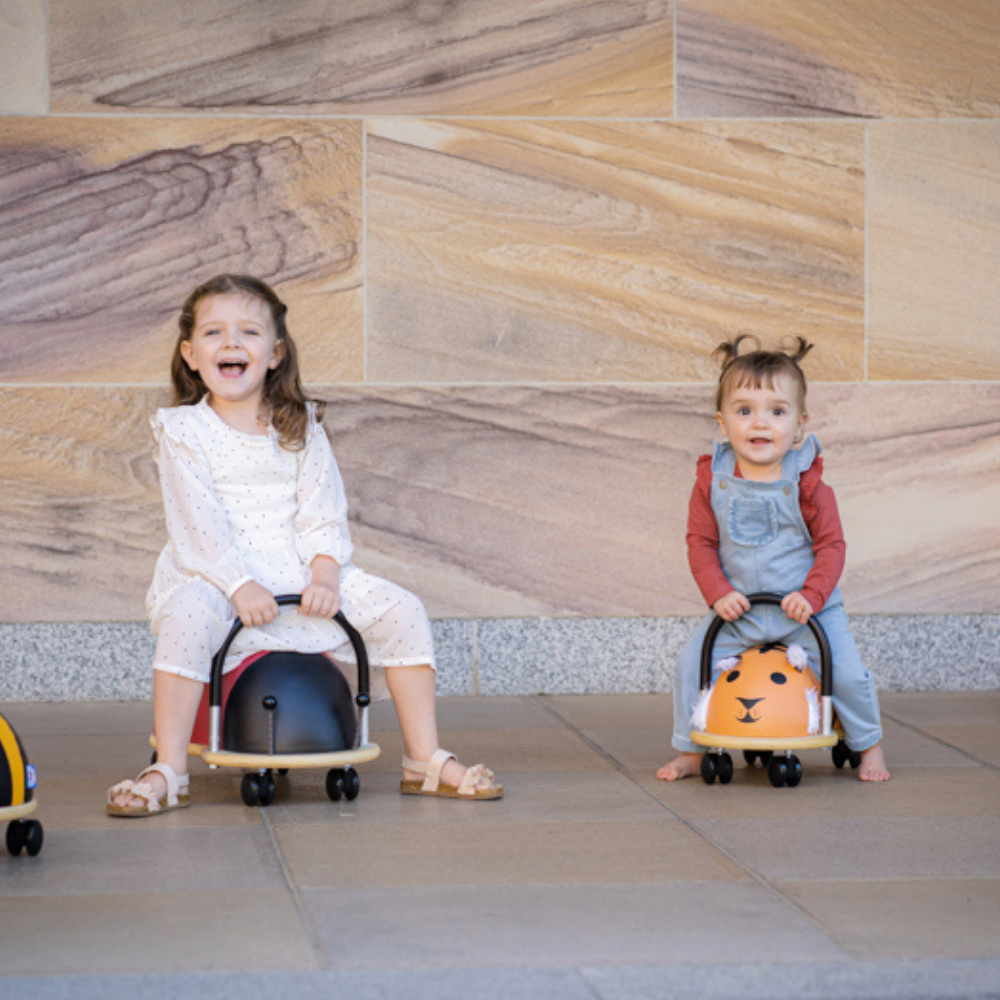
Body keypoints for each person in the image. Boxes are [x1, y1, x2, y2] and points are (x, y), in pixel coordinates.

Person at [108, 274, 502, 815]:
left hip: (297, 570)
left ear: (275, 353)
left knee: (402, 609)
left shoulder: (301, 426)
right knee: (188, 618)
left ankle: (423, 759)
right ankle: (169, 770)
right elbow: (197, 523)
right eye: (214, 332)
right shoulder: (184, 431)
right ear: (191, 354)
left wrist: (324, 574)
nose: (230, 342)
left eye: (248, 332)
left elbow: (323, 511)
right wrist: (238, 584)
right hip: (216, 575)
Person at [657, 335, 889, 783]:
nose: (760, 422)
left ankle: (869, 745)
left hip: (806, 611)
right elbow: (699, 543)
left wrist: (813, 595)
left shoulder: (808, 484)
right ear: (723, 424)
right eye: (745, 410)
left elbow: (832, 546)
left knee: (846, 674)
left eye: (777, 412)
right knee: (690, 665)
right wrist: (718, 593)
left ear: (799, 425)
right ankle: (691, 748)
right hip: (739, 610)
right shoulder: (711, 482)